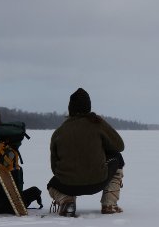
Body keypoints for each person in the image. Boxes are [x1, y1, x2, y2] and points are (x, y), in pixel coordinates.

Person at [47, 88, 125, 217]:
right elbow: (119, 146)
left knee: (52, 185)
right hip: (99, 181)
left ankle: (67, 201)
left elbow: (54, 167)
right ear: (88, 107)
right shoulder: (97, 123)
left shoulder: (59, 131)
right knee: (117, 157)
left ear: (70, 108)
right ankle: (109, 204)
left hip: (68, 185)